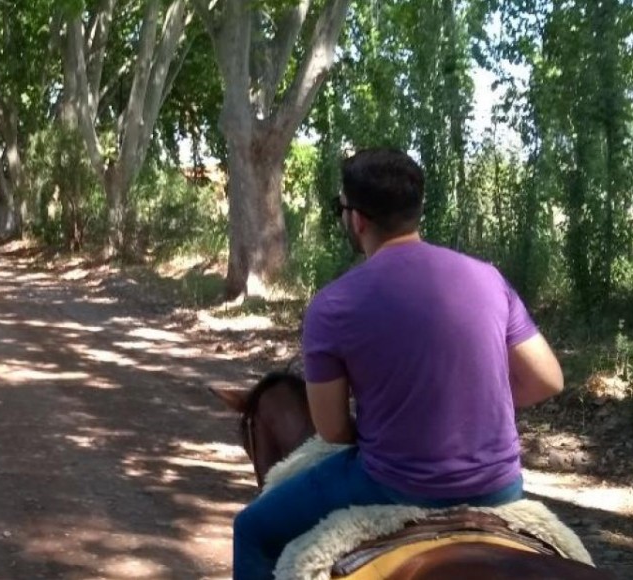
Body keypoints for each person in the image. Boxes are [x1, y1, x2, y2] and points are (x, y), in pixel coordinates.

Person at [231, 148, 566, 579]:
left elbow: (332, 430)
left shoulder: (334, 305)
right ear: (415, 210)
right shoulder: (488, 278)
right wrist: (469, 403)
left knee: (252, 530)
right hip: (499, 487)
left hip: (392, 486)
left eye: (340, 208)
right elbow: (547, 380)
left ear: (357, 219)